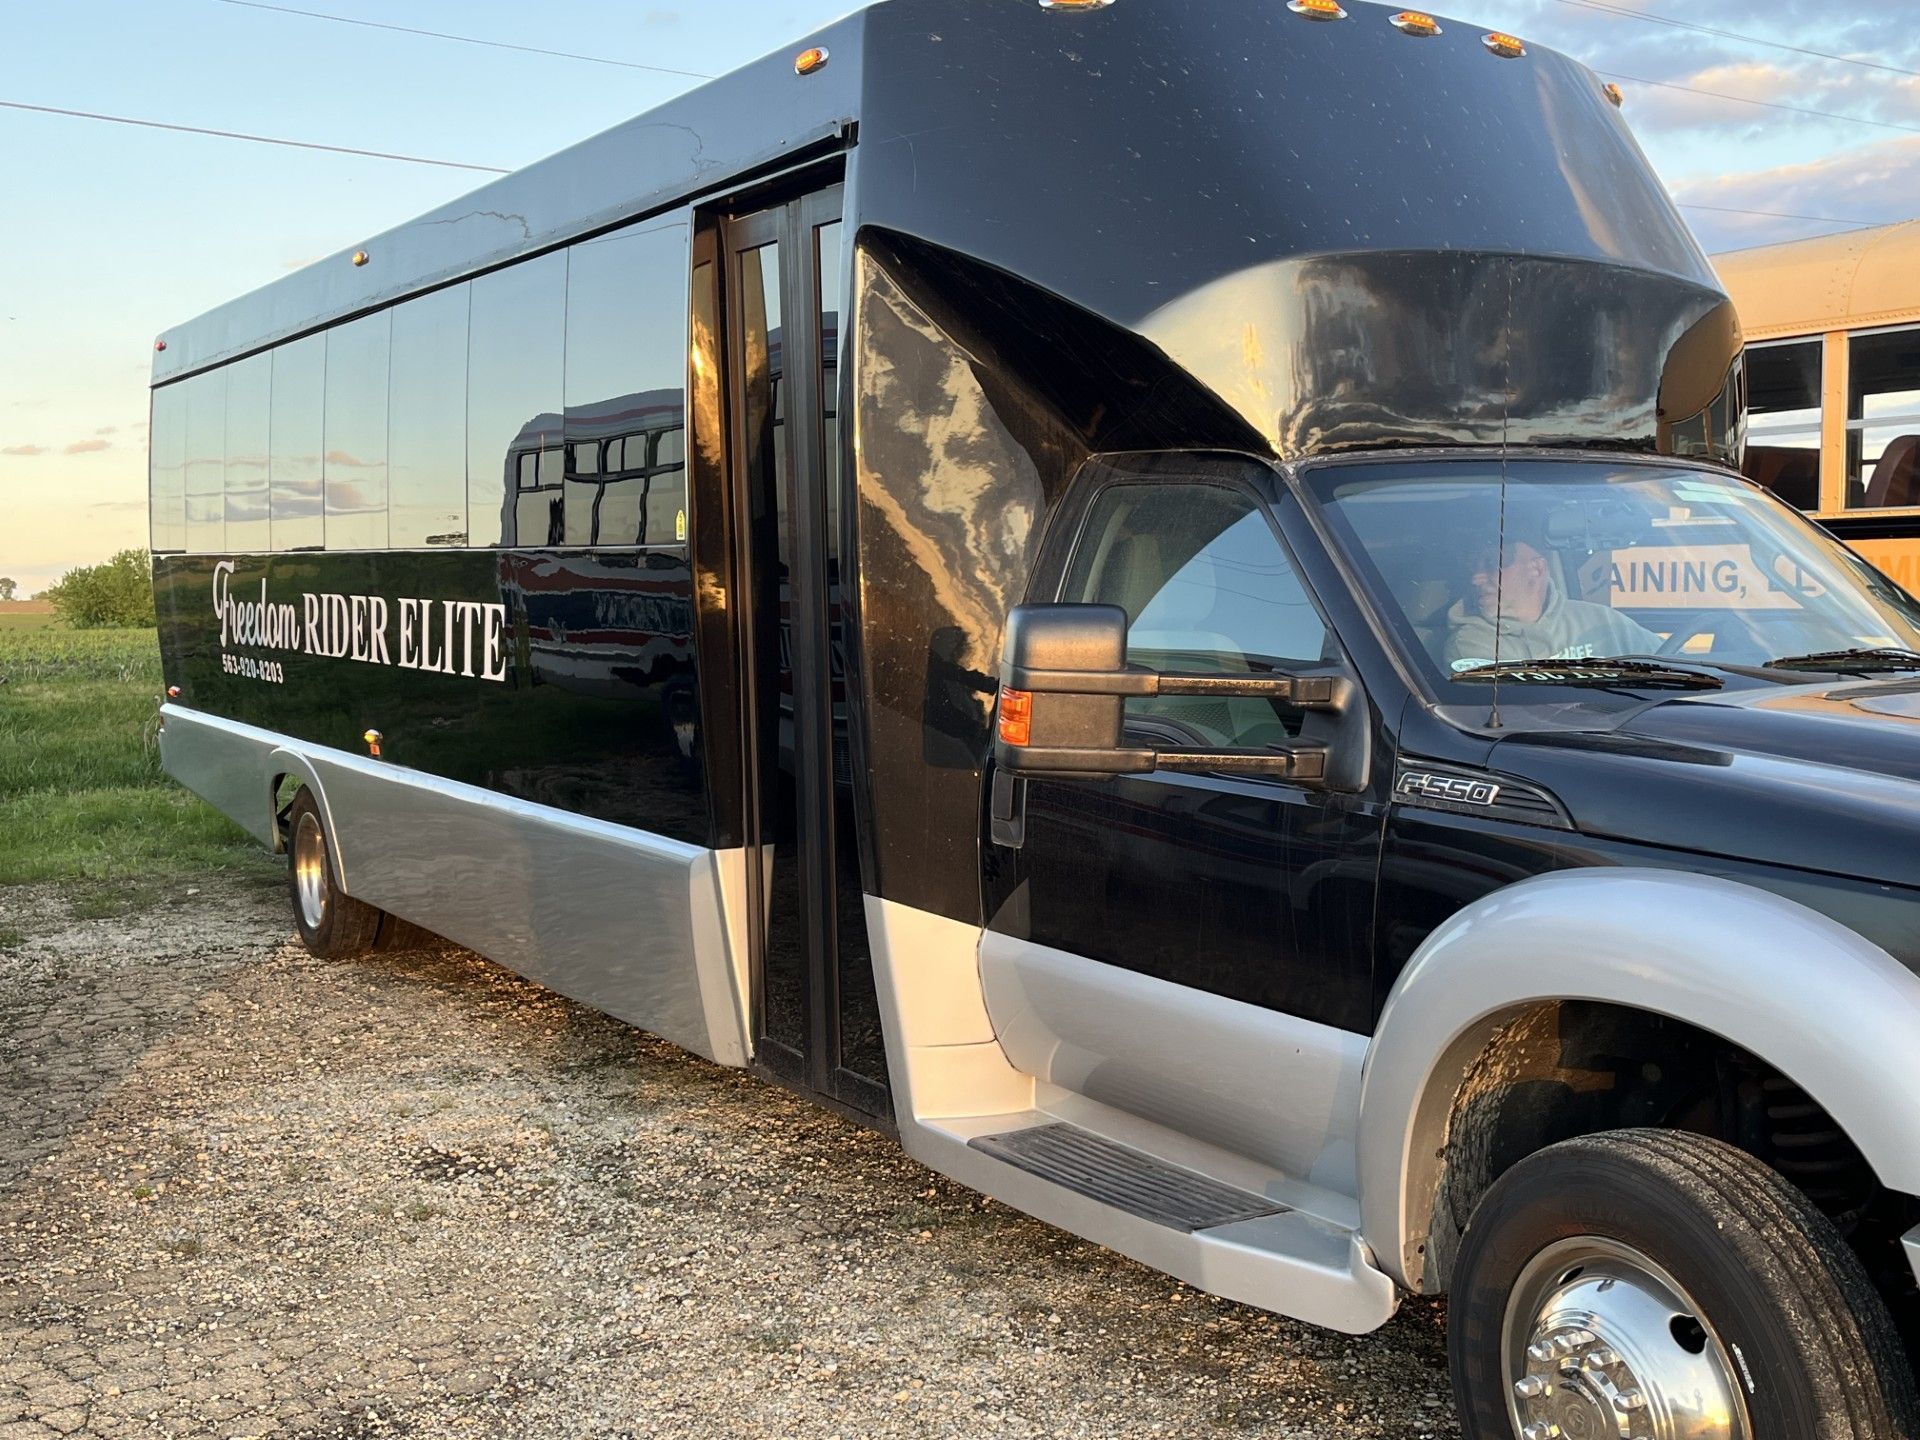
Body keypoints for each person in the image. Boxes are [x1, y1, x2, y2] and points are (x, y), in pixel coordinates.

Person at [1443, 528, 1658, 672]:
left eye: (1491, 564)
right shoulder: (1471, 646)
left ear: (1536, 568)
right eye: (1474, 567)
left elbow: (1672, 662)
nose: (1475, 578)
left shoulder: (1602, 622)